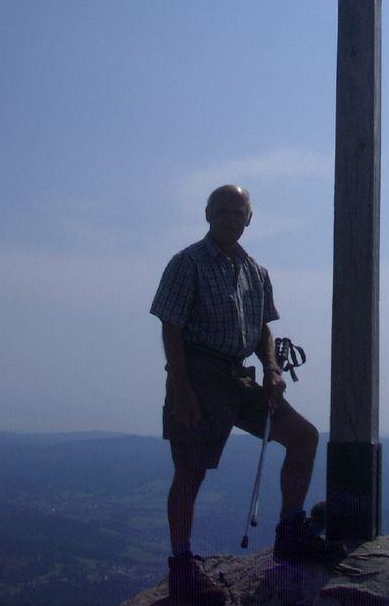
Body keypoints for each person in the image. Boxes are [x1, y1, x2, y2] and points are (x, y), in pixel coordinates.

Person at [150, 184, 340, 605]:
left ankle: (290, 533)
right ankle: (182, 568)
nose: (230, 218)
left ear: (249, 219)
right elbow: (172, 327)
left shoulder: (255, 271)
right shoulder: (187, 264)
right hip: (198, 376)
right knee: (190, 470)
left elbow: (263, 330)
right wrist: (182, 390)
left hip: (240, 376)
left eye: (238, 212)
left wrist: (272, 367)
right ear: (207, 214)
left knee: (304, 437)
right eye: (222, 211)